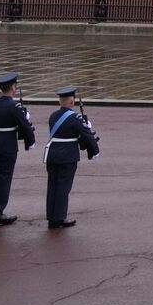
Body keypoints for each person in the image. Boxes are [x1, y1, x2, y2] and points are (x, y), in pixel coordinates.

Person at [39, 84, 97, 230]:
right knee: (63, 187)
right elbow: (87, 136)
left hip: (52, 155)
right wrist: (94, 150)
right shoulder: (75, 118)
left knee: (53, 186)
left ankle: (52, 216)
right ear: (72, 102)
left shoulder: (53, 116)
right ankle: (59, 218)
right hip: (67, 156)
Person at [0, 70, 34, 226]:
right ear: (12, 88)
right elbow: (25, 127)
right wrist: (30, 142)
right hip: (7, 146)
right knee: (4, 178)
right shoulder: (14, 106)